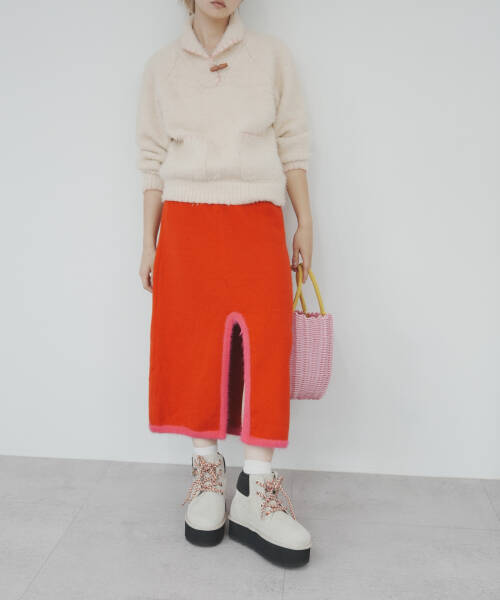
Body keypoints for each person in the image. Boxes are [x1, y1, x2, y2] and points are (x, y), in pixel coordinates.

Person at [136, 0, 313, 567]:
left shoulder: (272, 57)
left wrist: (306, 222)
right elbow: (152, 160)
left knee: (266, 347)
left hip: (258, 221)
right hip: (187, 225)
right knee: (196, 348)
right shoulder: (161, 67)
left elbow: (292, 141)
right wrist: (149, 242)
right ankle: (207, 472)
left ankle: (257, 487)